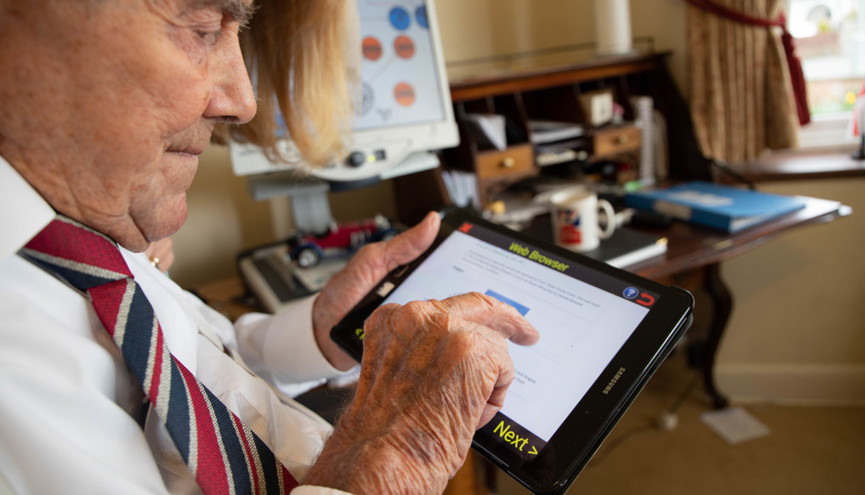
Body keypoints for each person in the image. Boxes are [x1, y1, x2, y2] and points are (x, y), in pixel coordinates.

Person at [0, 1, 539, 494]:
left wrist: (322, 330)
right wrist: (399, 454)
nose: (243, 102)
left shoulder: (75, 238)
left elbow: (196, 372)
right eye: (204, 27)